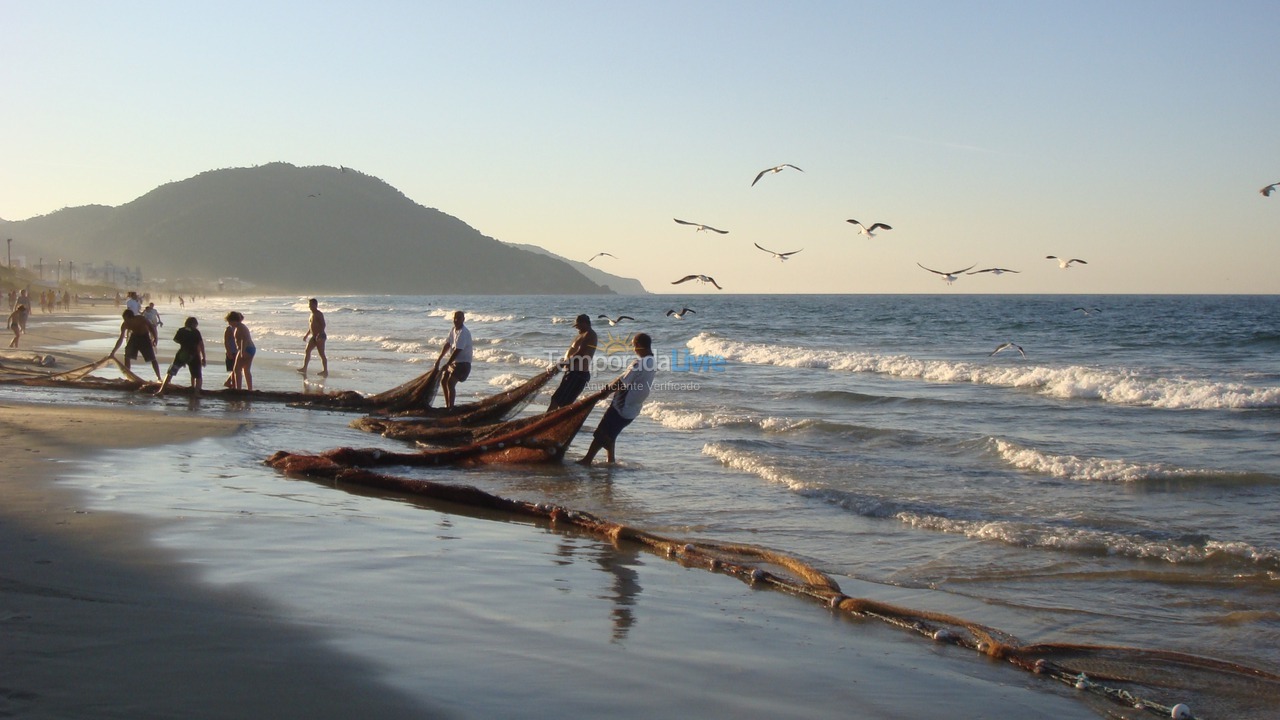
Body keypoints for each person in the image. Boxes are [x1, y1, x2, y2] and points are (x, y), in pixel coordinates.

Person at [578, 332, 657, 466]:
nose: (634, 349)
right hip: (633, 408)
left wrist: (606, 391)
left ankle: (587, 460)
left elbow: (622, 382)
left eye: (634, 346)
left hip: (621, 406)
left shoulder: (639, 363)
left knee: (602, 433)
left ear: (638, 345)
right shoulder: (652, 362)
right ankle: (611, 461)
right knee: (611, 433)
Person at [546, 314, 597, 412]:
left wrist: (561, 365)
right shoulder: (582, 334)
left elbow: (580, 354)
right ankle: (551, 420)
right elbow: (572, 354)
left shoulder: (590, 335)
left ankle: (546, 420)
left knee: (558, 401)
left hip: (577, 375)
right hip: (572, 373)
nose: (576, 328)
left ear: (584, 323)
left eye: (578, 325)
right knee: (560, 401)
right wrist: (561, 363)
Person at [155, 317, 206, 397]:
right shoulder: (196, 332)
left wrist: (185, 342)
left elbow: (176, 340)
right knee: (198, 375)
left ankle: (161, 391)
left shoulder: (181, 330)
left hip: (182, 353)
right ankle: (196, 393)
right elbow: (201, 344)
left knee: (170, 373)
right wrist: (204, 357)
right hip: (194, 354)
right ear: (194, 324)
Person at [109, 308, 161, 381]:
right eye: (124, 319)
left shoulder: (141, 319)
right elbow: (121, 339)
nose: (125, 321)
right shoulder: (125, 324)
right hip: (134, 337)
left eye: (126, 319)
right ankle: (128, 376)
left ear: (131, 318)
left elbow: (151, 327)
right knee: (127, 355)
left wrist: (155, 338)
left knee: (152, 358)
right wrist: (113, 352)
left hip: (145, 338)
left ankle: (159, 377)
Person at [440, 310, 472, 409]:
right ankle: (447, 405)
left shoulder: (464, 332)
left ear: (463, 319)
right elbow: (447, 345)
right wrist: (439, 359)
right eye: (455, 318)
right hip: (454, 363)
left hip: (463, 365)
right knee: (443, 381)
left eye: (459, 318)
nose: (456, 320)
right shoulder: (453, 330)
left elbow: (457, 350)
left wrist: (447, 364)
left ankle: (451, 408)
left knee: (450, 383)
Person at [224, 311, 256, 390]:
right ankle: (249, 389)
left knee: (237, 369)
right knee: (246, 370)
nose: (229, 324)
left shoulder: (240, 328)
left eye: (230, 322)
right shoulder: (242, 327)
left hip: (245, 349)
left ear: (234, 320)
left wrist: (242, 352)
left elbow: (244, 340)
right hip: (251, 349)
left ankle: (238, 388)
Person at [298, 297, 329, 376]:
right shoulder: (311, 314)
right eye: (309, 305)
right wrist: (306, 335)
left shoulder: (319, 314)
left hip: (320, 336)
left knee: (321, 353)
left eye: (311, 305)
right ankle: (304, 368)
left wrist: (319, 334)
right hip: (314, 336)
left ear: (315, 305)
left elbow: (323, 325)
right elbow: (311, 327)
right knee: (307, 351)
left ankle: (325, 371)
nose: (309, 306)